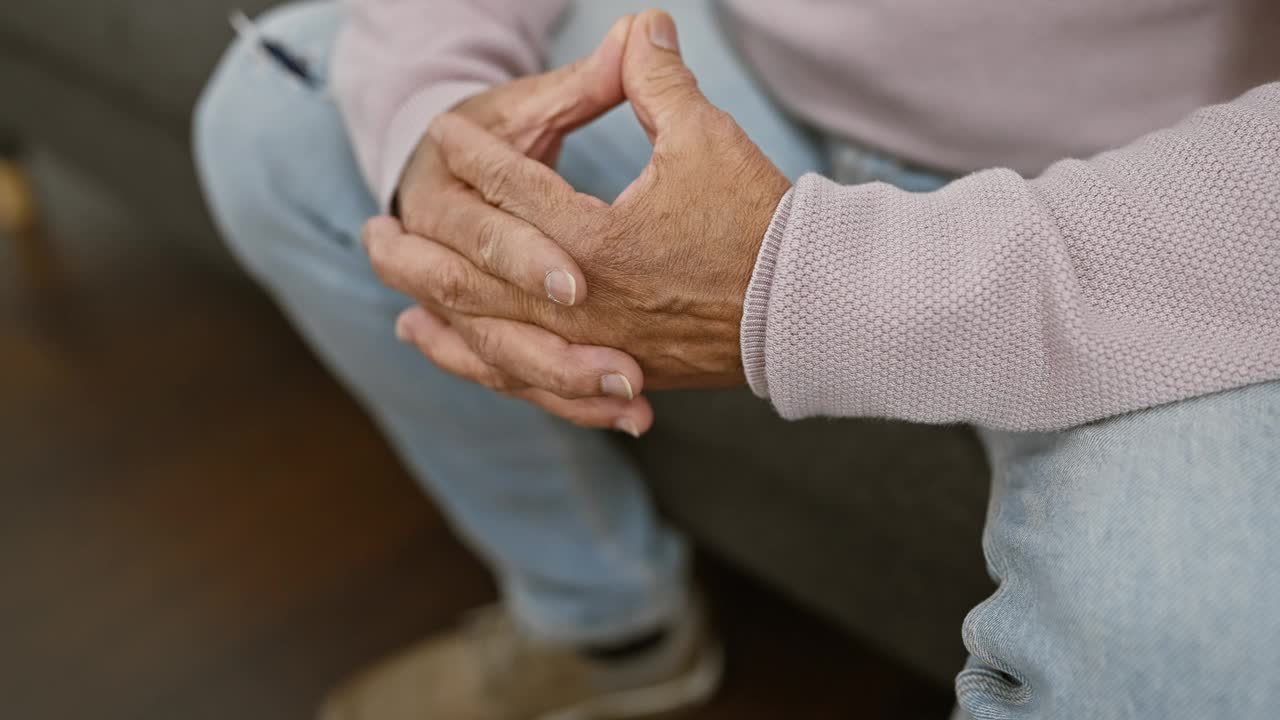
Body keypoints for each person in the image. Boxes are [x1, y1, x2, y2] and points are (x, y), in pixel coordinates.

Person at [194, 1, 1280, 718]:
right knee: (281, 118)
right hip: (743, 69)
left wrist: (830, 286)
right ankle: (604, 627)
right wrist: (439, 127)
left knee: (1189, 652)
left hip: (1162, 197)